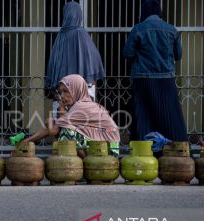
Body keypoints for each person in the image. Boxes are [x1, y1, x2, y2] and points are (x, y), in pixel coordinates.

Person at [123, 0, 187, 141]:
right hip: (166, 79)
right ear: (159, 11)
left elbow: (127, 53)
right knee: (169, 116)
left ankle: (144, 149)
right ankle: (173, 147)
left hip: (143, 80)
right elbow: (179, 55)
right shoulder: (171, 29)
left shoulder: (138, 29)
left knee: (143, 115)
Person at [24, 74, 120, 158]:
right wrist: (27, 141)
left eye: (66, 91)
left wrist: (50, 120)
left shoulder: (81, 107)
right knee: (64, 129)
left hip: (108, 150)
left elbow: (53, 131)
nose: (62, 96)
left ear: (76, 89)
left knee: (66, 133)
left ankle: (86, 163)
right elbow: (57, 126)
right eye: (61, 92)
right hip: (103, 146)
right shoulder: (82, 104)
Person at [46, 1, 104, 116]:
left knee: (61, 126)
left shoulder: (60, 36)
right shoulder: (81, 33)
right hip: (83, 90)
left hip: (62, 90)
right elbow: (93, 60)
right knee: (82, 124)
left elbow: (53, 65)